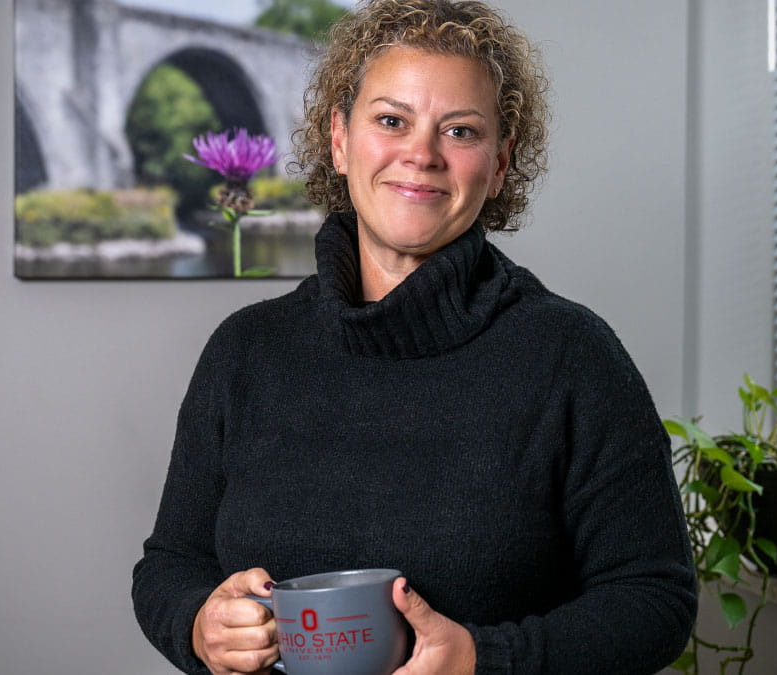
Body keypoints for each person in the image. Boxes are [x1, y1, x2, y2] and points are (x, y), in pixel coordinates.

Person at [132, 1, 697, 673]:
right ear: (339, 140)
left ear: (499, 164)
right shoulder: (244, 351)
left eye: (459, 131)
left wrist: (483, 659)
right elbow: (169, 564)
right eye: (391, 120)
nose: (421, 155)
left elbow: (655, 599)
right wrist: (200, 623)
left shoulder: (571, 356)